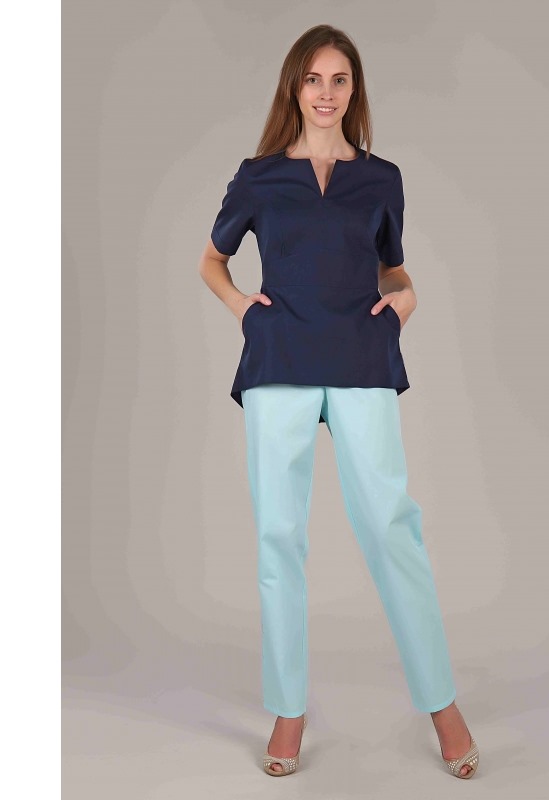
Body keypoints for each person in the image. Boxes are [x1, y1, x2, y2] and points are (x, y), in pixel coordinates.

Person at [198, 24, 479, 779]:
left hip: (359, 355)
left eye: (340, 80)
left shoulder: (381, 179)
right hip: (280, 358)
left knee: (390, 525)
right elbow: (213, 260)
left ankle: (443, 705)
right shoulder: (258, 176)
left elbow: (392, 271)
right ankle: (288, 710)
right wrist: (244, 309)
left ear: (355, 91)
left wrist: (408, 298)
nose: (326, 93)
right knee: (279, 534)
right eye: (314, 79)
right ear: (295, 88)